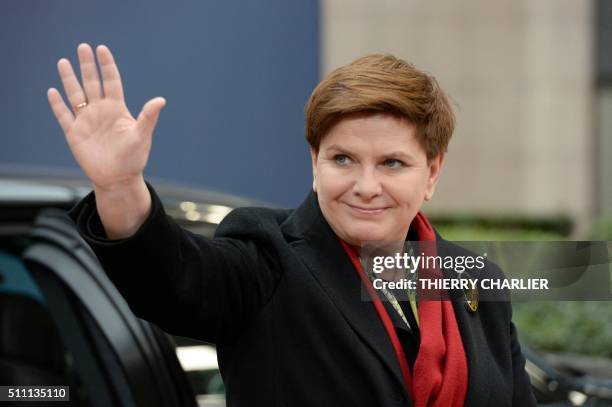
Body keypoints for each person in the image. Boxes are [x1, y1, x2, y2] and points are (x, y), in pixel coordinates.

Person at [47, 43, 537, 406]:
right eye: (343, 159)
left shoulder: (476, 281)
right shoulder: (268, 257)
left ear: (431, 173)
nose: (366, 185)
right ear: (314, 161)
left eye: (392, 163)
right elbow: (175, 277)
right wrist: (119, 187)